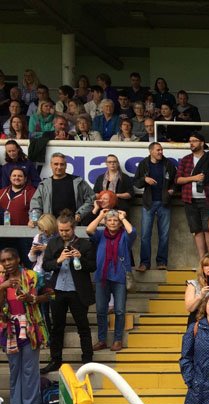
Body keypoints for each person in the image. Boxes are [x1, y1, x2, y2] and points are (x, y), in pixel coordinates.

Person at [40, 213, 96, 373]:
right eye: (61, 230)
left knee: (83, 327)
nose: (64, 233)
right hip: (58, 290)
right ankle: (55, 360)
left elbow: (93, 266)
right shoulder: (53, 243)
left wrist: (80, 258)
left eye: (66, 230)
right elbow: (46, 265)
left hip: (77, 291)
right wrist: (59, 260)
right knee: (57, 327)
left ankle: (87, 361)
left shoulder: (84, 244)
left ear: (73, 228)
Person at [0, 248, 48, 404]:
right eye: (3, 261)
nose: (7, 263)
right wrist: (2, 288)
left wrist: (33, 299)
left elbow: (50, 294)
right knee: (15, 369)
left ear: (18, 259)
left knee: (29, 369)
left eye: (10, 259)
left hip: (30, 328)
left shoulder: (32, 276)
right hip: (10, 329)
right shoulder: (1, 280)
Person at [86, 209, 135, 352]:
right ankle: (102, 340)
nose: (113, 223)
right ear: (105, 223)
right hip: (102, 277)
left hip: (119, 277)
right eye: (110, 220)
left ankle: (117, 339)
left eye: (115, 221)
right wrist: (101, 215)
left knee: (119, 310)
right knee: (101, 310)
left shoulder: (125, 236)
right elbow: (89, 230)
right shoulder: (101, 235)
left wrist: (123, 217)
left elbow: (132, 232)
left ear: (119, 224)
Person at [175, 132, 209, 259]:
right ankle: (202, 260)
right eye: (190, 141)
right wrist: (194, 178)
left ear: (202, 143)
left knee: (208, 229)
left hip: (208, 200)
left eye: (194, 140)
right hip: (190, 199)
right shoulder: (186, 160)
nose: (191, 143)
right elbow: (178, 180)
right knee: (196, 230)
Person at [134, 142, 176, 271]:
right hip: (148, 203)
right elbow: (136, 182)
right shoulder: (143, 164)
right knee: (145, 235)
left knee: (164, 235)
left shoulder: (168, 164)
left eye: (161, 150)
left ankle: (161, 262)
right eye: (158, 150)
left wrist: (172, 190)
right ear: (151, 151)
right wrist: (144, 180)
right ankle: (144, 263)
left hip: (164, 203)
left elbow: (175, 181)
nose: (160, 152)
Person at [29, 153, 95, 225]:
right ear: (51, 165)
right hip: (51, 228)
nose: (59, 167)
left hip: (73, 227)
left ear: (66, 166)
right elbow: (35, 206)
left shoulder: (78, 182)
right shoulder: (44, 185)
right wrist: (34, 219)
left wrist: (80, 213)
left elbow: (91, 200)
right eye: (56, 164)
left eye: (62, 164)